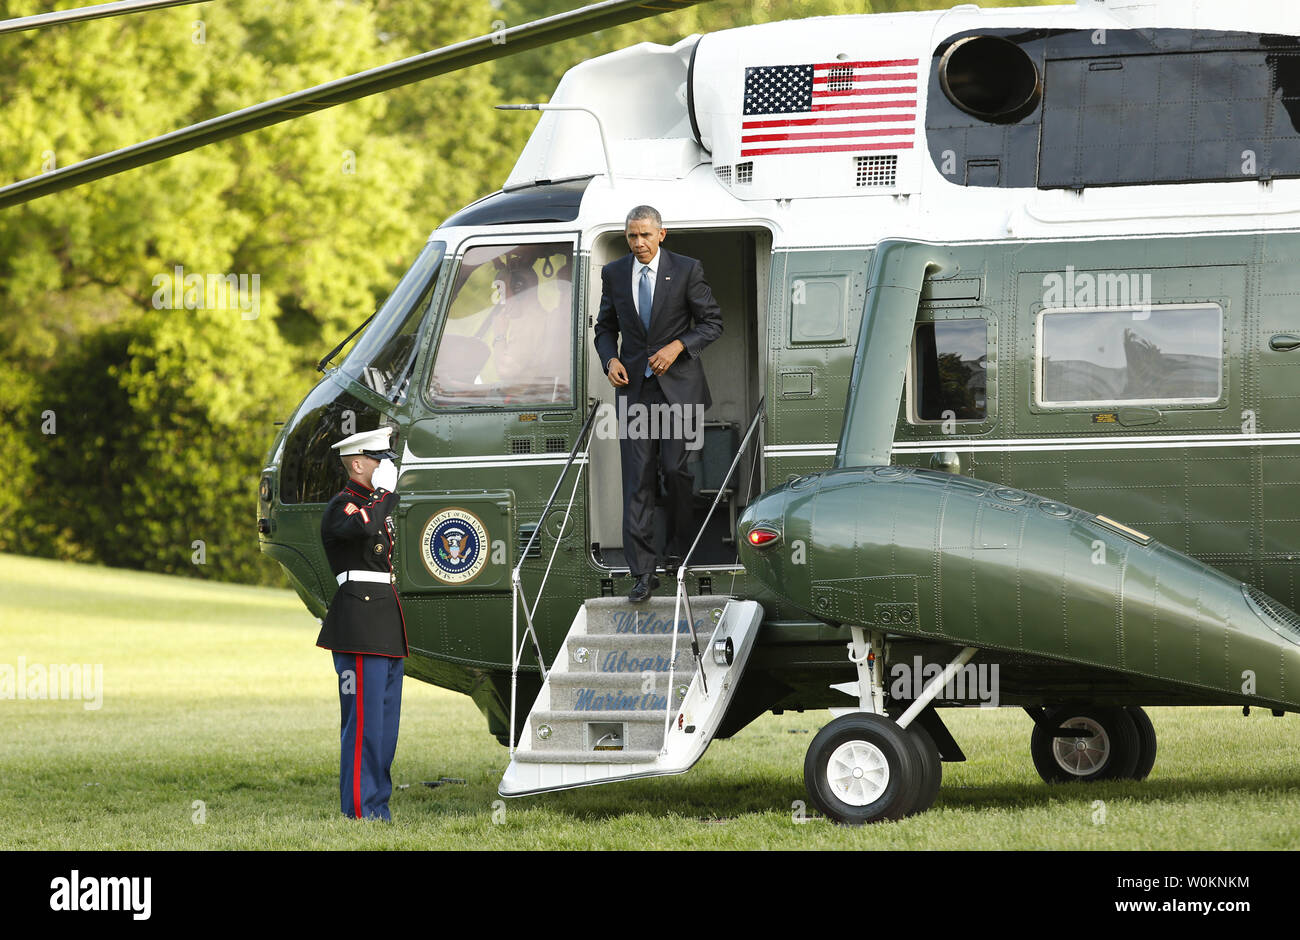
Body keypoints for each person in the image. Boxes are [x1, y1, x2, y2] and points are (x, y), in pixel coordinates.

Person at [593, 205, 723, 602]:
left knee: (676, 472)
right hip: (635, 393)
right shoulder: (614, 273)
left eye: (646, 235)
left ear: (661, 234)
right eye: (632, 236)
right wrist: (609, 359)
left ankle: (683, 551)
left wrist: (678, 345)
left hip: (678, 392)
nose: (639, 243)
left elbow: (712, 322)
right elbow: (605, 327)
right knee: (637, 480)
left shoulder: (686, 269)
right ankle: (642, 573)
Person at [317, 426, 407, 821]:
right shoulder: (343, 507)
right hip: (359, 625)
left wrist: (383, 496)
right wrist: (385, 494)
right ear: (357, 463)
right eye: (378, 458)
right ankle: (359, 810)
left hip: (384, 622)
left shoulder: (373, 504)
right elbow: (366, 526)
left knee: (384, 727)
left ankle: (378, 807)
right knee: (363, 727)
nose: (386, 465)